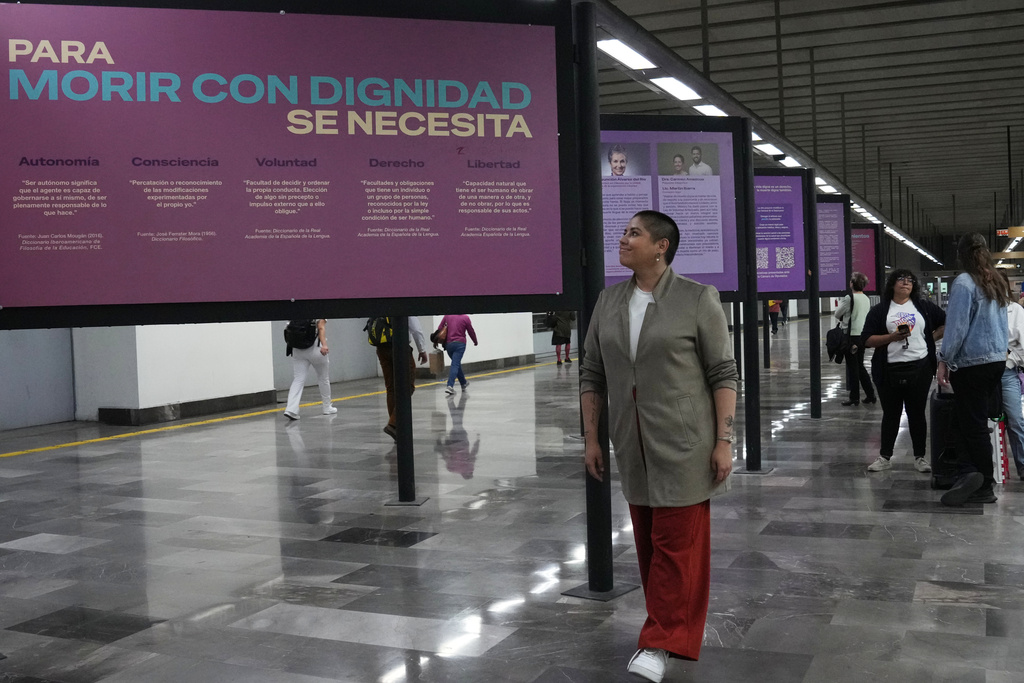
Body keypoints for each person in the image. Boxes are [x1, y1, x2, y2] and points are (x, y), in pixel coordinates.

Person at [580, 210, 738, 681]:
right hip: (632, 444)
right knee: (651, 547)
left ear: (661, 246)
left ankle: (659, 642)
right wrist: (591, 438)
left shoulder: (696, 298)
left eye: (634, 233)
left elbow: (723, 372)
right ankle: (672, 630)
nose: (623, 239)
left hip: (685, 443)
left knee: (675, 546)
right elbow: (592, 372)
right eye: (624, 232)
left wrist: (724, 440)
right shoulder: (609, 302)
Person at [936, 233, 1012, 505]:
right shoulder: (996, 280)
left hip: (972, 363)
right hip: (996, 361)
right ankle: (968, 473)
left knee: (974, 424)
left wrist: (944, 359)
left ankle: (984, 484)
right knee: (965, 420)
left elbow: (957, 328)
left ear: (961, 255)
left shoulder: (965, 282)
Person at [862, 270, 945, 473]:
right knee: (891, 413)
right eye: (901, 279)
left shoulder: (923, 307)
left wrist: (928, 339)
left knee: (917, 413)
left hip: (920, 367)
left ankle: (920, 457)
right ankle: (885, 456)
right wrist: (891, 338)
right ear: (892, 284)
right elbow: (867, 339)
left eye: (910, 280)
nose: (906, 283)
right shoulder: (880, 310)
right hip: (888, 369)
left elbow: (946, 322)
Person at [376, 317, 428, 441]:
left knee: (391, 388)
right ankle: (393, 424)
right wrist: (422, 350)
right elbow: (416, 329)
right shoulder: (404, 304)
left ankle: (396, 429)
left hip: (381, 348)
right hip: (400, 346)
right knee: (408, 385)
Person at [834, 273, 876, 406]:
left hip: (851, 337)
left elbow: (837, 314)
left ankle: (854, 398)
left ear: (852, 283)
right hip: (862, 336)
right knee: (860, 366)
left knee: (853, 368)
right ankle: (870, 395)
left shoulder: (849, 298)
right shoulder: (866, 298)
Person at [284, 319, 336, 420]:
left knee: (298, 379)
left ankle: (291, 409)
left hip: (297, 349)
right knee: (323, 378)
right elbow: (321, 327)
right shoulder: (317, 311)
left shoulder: (293, 312)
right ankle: (327, 407)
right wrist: (324, 345)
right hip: (316, 349)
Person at [999, 273, 1024, 480]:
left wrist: (1011, 359)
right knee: (984, 423)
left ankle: (1023, 465)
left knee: (1015, 420)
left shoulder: (1015, 310)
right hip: (982, 373)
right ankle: (987, 469)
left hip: (1007, 373)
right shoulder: (978, 308)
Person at [436, 314, 478, 396]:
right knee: (455, 364)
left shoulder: (448, 315)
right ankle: (450, 386)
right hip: (460, 344)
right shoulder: (465, 318)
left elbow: (440, 328)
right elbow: (471, 331)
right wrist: (475, 341)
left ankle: (463, 383)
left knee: (456, 363)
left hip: (449, 345)